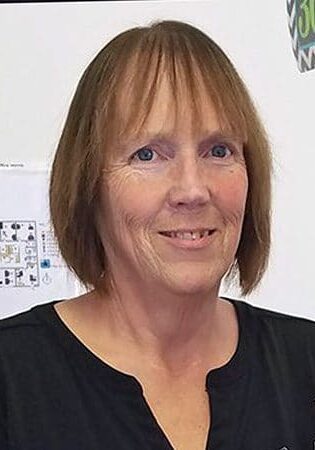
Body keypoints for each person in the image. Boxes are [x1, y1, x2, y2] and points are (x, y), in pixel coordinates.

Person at [1, 19, 315, 450]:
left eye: (218, 150)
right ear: (88, 184)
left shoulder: (305, 364)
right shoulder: (13, 381)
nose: (192, 189)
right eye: (147, 154)